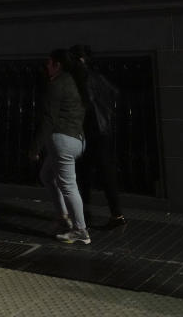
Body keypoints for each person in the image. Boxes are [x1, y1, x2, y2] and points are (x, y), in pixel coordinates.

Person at [31, 49, 90, 245]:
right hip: (77, 139)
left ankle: (80, 230)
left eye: (49, 63)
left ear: (58, 65)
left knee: (68, 185)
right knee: (47, 175)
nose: (46, 66)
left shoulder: (57, 84)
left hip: (62, 140)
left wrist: (35, 147)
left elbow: (49, 119)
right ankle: (63, 217)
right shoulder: (75, 83)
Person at [71, 44, 126, 229]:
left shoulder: (83, 78)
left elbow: (85, 103)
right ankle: (116, 214)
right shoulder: (99, 77)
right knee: (106, 171)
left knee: (84, 173)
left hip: (91, 130)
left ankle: (85, 214)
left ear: (80, 60)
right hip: (104, 130)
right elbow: (115, 93)